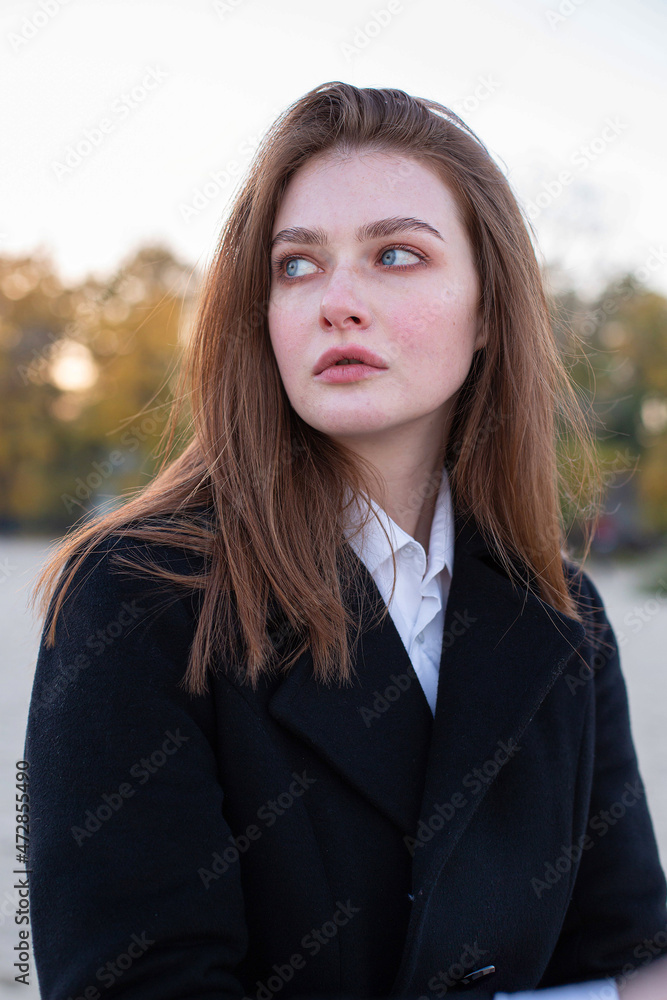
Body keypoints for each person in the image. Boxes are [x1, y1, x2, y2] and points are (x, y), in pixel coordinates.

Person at [25, 81, 667, 1000]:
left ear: (488, 311)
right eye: (296, 265)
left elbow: (630, 957)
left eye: (396, 254)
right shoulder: (137, 596)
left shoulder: (564, 616)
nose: (337, 301)